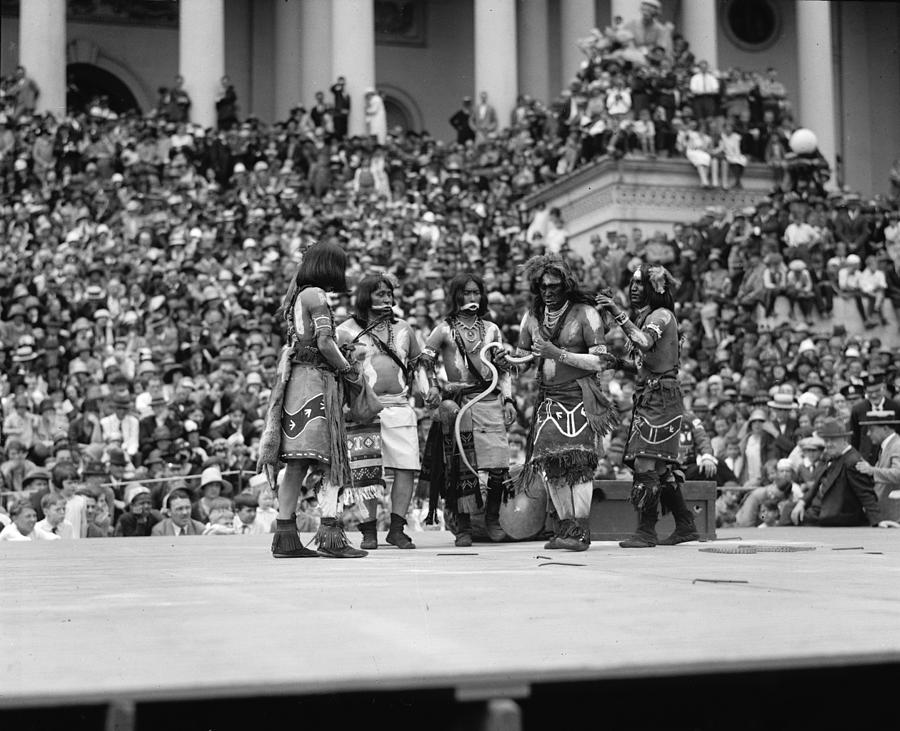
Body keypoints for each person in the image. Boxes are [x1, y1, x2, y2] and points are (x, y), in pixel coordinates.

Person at [257, 242, 368, 558]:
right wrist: (346, 367)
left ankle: (286, 539)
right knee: (332, 460)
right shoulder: (316, 295)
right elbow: (323, 341)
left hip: (298, 383)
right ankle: (332, 537)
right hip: (315, 384)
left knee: (296, 464)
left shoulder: (296, 295)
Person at [501, 255, 618, 551]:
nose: (548, 292)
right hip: (549, 400)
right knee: (552, 466)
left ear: (566, 285)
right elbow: (524, 361)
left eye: (554, 286)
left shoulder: (585, 313)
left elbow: (601, 361)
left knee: (578, 466)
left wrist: (557, 353)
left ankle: (581, 531)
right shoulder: (532, 317)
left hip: (580, 397)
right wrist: (504, 359)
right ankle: (565, 529)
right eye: (543, 287)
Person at [596, 263, 700, 547]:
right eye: (632, 282)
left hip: (662, 397)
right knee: (661, 468)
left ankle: (646, 531)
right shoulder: (647, 316)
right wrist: (618, 363)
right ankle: (686, 525)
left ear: (656, 288)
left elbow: (643, 342)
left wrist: (617, 313)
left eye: (641, 283)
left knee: (645, 461)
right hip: (652, 396)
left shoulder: (662, 315)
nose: (634, 287)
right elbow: (645, 363)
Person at [420, 273, 516, 546]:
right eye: (466, 293)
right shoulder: (443, 330)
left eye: (476, 293)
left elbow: (503, 369)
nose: (472, 298)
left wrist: (508, 399)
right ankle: (462, 526)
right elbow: (425, 363)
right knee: (459, 465)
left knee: (498, 465)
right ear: (456, 296)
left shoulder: (493, 330)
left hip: (490, 401)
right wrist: (434, 389)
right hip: (459, 404)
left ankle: (492, 520)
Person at [337, 275, 423, 550]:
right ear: (365, 297)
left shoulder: (404, 328)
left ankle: (397, 529)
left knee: (407, 467)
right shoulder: (345, 331)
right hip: (363, 409)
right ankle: (368, 531)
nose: (387, 298)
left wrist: (427, 391)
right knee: (365, 472)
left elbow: (418, 366)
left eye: (389, 294)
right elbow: (335, 373)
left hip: (399, 406)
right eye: (379, 294)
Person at [790, 419, 889, 527]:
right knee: (788, 509)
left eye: (832, 440)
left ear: (844, 439)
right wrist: (802, 502)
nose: (828, 444)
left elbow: (865, 494)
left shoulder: (853, 461)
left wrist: (878, 521)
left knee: (788, 514)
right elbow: (816, 485)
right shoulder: (832, 455)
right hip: (818, 510)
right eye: (826, 440)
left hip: (834, 516)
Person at [854, 410, 900, 523]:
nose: (868, 434)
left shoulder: (897, 445)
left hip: (894, 514)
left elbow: (898, 473)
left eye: (871, 429)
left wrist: (871, 470)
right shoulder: (886, 446)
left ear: (885, 428)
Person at [849, 372, 900, 464]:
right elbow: (854, 438)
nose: (874, 395)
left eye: (877, 391)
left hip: (890, 458)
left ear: (884, 388)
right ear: (865, 392)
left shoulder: (895, 407)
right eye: (870, 392)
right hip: (865, 459)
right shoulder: (858, 409)